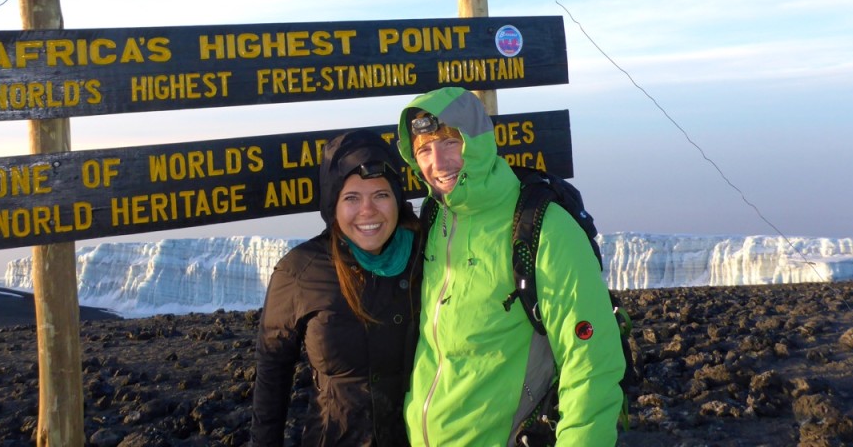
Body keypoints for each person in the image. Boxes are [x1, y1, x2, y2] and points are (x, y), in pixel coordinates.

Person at [397, 87, 625, 447]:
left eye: (451, 144)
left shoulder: (542, 226)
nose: (437, 163)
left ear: (478, 142)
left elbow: (592, 365)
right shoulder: (434, 221)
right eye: (424, 149)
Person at [251, 129, 423, 446]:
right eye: (351, 198)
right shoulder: (301, 270)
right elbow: (273, 371)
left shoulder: (428, 255)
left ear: (397, 199)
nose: (368, 211)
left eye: (381, 195)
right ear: (333, 204)